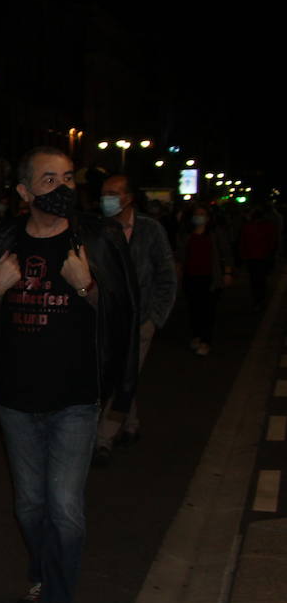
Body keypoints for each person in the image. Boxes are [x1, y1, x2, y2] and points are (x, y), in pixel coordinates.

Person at [0, 146, 139, 603]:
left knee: (66, 509)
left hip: (76, 399)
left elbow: (122, 313)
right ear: (24, 191)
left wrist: (88, 286)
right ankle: (42, 576)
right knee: (31, 505)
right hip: (16, 399)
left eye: (68, 178)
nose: (62, 188)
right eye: (49, 179)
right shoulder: (0, 241)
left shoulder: (96, 239)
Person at [93, 175, 177, 464]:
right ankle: (130, 424)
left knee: (121, 377)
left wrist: (154, 317)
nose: (106, 198)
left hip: (140, 321)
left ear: (128, 197)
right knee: (122, 373)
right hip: (107, 320)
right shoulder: (98, 228)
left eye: (113, 193)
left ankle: (103, 438)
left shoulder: (150, 230)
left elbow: (166, 275)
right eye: (104, 193)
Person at [177, 201, 233, 356]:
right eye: (196, 214)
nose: (199, 217)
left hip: (210, 278)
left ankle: (205, 341)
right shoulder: (187, 234)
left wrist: (227, 273)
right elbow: (180, 255)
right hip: (191, 276)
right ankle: (196, 335)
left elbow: (226, 253)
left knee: (208, 310)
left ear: (208, 217)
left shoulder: (215, 233)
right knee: (193, 309)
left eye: (202, 214)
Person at [238, 205, 278, 312]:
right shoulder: (268, 226)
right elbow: (272, 241)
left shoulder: (247, 226)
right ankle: (260, 300)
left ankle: (257, 300)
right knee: (261, 279)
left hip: (252, 258)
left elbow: (243, 243)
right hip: (263, 257)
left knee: (254, 280)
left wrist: (243, 255)